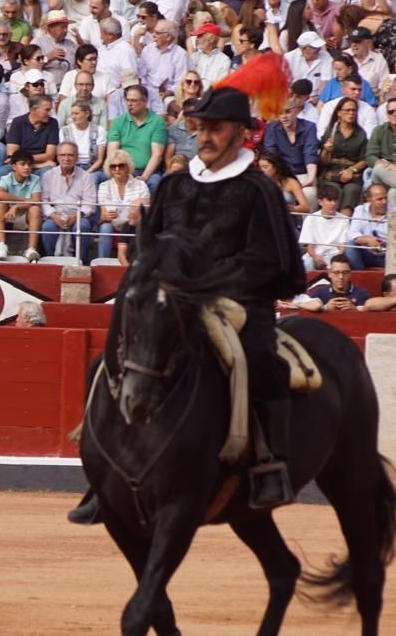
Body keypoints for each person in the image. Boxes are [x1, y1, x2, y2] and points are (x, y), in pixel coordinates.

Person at [75, 55, 303, 525]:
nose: (205, 135)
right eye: (201, 126)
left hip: (237, 305)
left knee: (259, 360)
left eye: (217, 128)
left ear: (241, 133)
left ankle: (268, 465)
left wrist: (206, 284)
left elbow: (271, 264)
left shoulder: (258, 190)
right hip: (173, 301)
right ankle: (104, 474)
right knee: (107, 361)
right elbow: (150, 247)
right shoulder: (175, 184)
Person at [295, 254, 368, 310]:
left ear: (350, 274)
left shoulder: (361, 293)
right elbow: (309, 314)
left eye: (345, 272)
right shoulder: (319, 292)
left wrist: (354, 309)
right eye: (336, 272)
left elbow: (367, 317)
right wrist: (326, 307)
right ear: (330, 273)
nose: (341, 277)